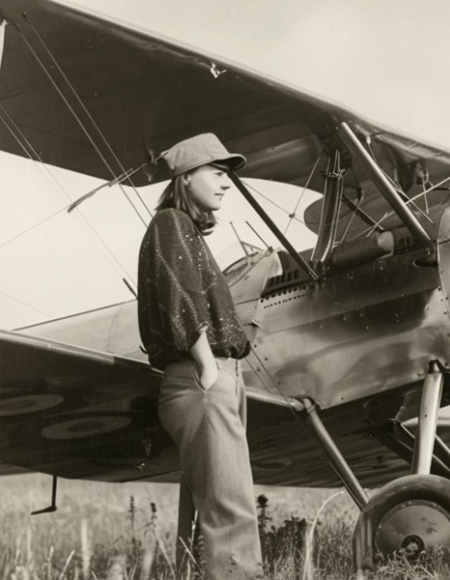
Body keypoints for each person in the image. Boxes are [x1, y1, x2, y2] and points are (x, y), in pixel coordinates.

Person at [137, 133, 263, 578]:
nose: (227, 184)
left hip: (210, 377)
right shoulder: (171, 224)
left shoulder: (182, 229)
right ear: (186, 178)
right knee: (231, 508)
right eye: (217, 173)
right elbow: (180, 299)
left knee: (208, 509)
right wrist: (209, 370)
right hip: (202, 377)